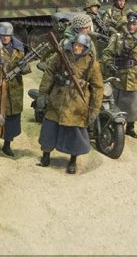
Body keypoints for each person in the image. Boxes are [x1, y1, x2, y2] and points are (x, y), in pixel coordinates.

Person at [36, 33, 104, 174]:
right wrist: (42, 94)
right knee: (49, 129)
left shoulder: (92, 63)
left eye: (81, 46)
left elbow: (97, 87)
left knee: (75, 135)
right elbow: (49, 73)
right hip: (58, 98)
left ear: (86, 48)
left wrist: (95, 109)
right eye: (75, 45)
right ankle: (45, 156)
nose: (77, 48)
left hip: (77, 103)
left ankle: (73, 161)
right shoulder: (61, 56)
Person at [101, 12, 137, 138]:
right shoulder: (118, 38)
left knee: (134, 104)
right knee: (115, 103)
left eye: (134, 24)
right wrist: (109, 64)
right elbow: (107, 53)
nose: (131, 26)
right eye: (129, 24)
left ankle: (130, 127)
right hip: (119, 76)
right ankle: (116, 127)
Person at [0, 22, 30, 157]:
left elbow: (26, 68)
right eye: (2, 35)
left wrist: (23, 67)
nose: (5, 38)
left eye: (8, 35)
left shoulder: (18, 48)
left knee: (12, 118)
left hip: (14, 89)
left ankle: (7, 145)